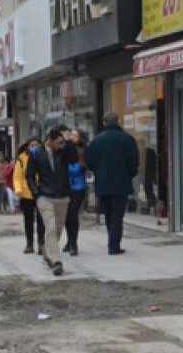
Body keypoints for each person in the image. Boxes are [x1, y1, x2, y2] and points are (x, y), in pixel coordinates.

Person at [27, 127, 77, 277]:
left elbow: (74, 159)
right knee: (50, 226)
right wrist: (36, 194)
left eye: (63, 142)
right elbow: (29, 176)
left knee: (58, 230)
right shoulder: (36, 153)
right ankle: (57, 261)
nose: (61, 145)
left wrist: (68, 143)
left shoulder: (64, 151)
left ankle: (48, 253)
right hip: (45, 196)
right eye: (59, 142)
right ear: (50, 141)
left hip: (63, 196)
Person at [86, 112, 139, 255]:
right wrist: (129, 175)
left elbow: (89, 162)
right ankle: (114, 245)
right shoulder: (127, 139)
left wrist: (99, 172)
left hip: (103, 184)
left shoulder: (96, 141)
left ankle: (112, 241)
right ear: (118, 121)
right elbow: (134, 162)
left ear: (104, 122)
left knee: (109, 214)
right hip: (121, 184)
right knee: (117, 215)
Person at [14, 138, 45, 255]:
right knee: (28, 221)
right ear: (27, 146)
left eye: (36, 145)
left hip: (41, 192)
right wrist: (18, 190)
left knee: (41, 220)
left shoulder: (44, 157)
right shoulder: (21, 159)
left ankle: (42, 244)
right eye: (32, 145)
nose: (34, 147)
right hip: (26, 194)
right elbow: (17, 177)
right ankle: (29, 244)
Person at [64, 130, 88, 256]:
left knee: (72, 214)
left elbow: (78, 169)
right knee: (67, 216)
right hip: (66, 188)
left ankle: (73, 243)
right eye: (71, 134)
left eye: (74, 135)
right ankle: (69, 241)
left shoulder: (83, 150)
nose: (71, 137)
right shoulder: (66, 149)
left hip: (78, 187)